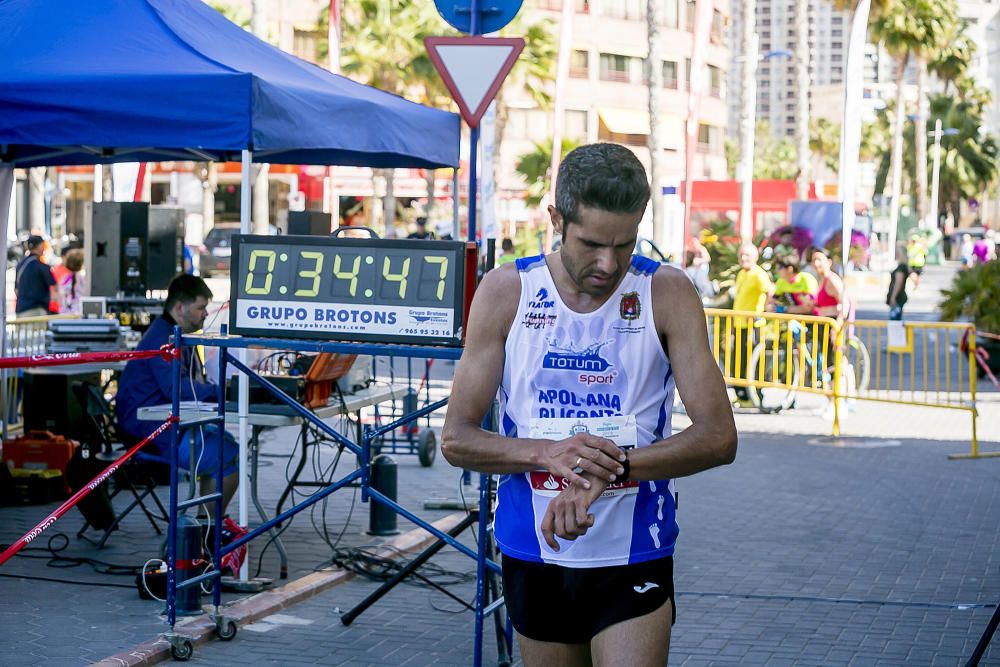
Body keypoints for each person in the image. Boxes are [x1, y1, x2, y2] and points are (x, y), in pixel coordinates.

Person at [441, 143, 737, 666]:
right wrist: (547, 454)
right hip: (533, 552)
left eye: (625, 244)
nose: (609, 264)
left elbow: (718, 437)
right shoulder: (507, 291)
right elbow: (457, 439)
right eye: (592, 244)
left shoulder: (665, 292)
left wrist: (616, 468)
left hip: (633, 553)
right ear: (556, 219)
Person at [117, 274, 239, 517]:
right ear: (180, 307)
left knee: (227, 445)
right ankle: (208, 530)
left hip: (161, 425)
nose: (206, 314)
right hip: (150, 433)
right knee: (227, 454)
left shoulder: (174, 334)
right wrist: (221, 391)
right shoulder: (163, 339)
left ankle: (206, 529)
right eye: (201, 307)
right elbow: (177, 388)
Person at [732, 242, 774, 401]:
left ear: (755, 257)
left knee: (752, 362)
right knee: (738, 360)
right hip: (739, 324)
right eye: (741, 255)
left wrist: (764, 309)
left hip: (753, 325)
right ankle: (741, 395)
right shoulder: (742, 273)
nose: (743, 258)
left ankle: (755, 395)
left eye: (747, 255)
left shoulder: (758, 274)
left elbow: (770, 291)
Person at [14, 235, 57, 318]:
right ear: (40, 246)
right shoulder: (42, 267)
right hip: (37, 312)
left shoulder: (20, 265)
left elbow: (16, 290)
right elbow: (54, 288)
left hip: (20, 310)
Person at [58, 248, 86, 315]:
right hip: (79, 314)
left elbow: (60, 298)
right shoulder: (82, 279)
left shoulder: (64, 279)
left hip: (65, 315)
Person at [886, 246, 910, 321]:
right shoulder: (903, 266)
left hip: (898, 297)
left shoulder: (901, 267)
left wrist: (893, 297)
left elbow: (898, 283)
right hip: (899, 296)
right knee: (896, 319)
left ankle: (896, 333)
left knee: (894, 320)